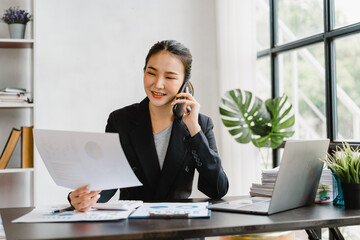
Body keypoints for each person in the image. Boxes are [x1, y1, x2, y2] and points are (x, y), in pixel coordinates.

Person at [68, 40, 229, 212]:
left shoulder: (200, 125)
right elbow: (108, 180)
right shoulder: (120, 120)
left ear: (184, 83)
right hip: (133, 227)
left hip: (181, 227)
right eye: (151, 73)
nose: (158, 84)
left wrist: (194, 131)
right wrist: (83, 197)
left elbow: (217, 189)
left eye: (169, 77)